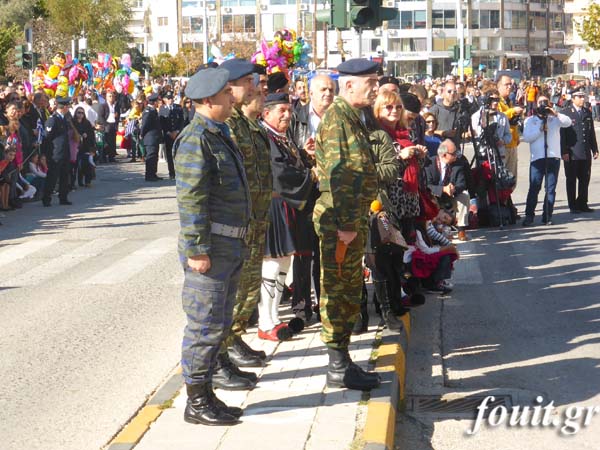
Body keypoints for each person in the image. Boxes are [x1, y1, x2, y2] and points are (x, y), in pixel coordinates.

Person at [173, 66, 251, 426]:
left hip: (228, 245)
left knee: (218, 324)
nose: (231, 99)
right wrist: (196, 250)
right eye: (225, 95)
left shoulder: (218, 133)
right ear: (207, 100)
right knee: (203, 327)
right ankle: (196, 401)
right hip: (211, 249)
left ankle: (207, 394)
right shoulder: (196, 139)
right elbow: (191, 200)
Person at [314, 58, 382, 391]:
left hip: (352, 220)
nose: (375, 87)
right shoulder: (337, 119)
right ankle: (337, 366)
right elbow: (338, 174)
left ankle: (342, 361)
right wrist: (345, 223)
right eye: (370, 81)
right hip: (341, 224)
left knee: (349, 290)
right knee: (338, 292)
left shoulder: (351, 117)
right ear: (349, 84)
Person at [258, 92, 316, 341]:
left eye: (289, 110)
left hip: (287, 207)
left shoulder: (280, 136)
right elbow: (280, 173)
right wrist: (311, 176)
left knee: (283, 263)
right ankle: (264, 321)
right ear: (266, 113)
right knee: (271, 263)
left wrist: (303, 154)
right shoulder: (265, 137)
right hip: (273, 206)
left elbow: (291, 163)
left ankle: (274, 318)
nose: (287, 115)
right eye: (281, 110)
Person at [226, 71, 273, 370]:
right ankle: (227, 343)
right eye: (249, 83)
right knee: (239, 285)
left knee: (250, 284)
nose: (256, 89)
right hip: (243, 219)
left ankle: (235, 336)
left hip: (257, 215)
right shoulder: (230, 126)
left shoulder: (247, 124)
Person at [288, 74, 336, 321]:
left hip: (331, 191)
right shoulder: (297, 117)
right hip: (306, 191)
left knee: (326, 252)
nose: (327, 94)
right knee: (303, 251)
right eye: (323, 90)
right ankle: (301, 307)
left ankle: (325, 305)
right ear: (311, 93)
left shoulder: (339, 117)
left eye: (331, 89)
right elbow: (286, 154)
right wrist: (303, 154)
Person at [521, 95, 572, 226]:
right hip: (537, 158)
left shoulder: (554, 119)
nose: (543, 105)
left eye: (545, 102)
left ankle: (547, 215)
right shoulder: (530, 120)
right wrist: (539, 130)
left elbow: (568, 122)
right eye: (540, 103)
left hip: (553, 157)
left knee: (550, 189)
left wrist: (555, 114)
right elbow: (526, 137)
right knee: (534, 188)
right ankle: (529, 215)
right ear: (536, 104)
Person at [560, 88, 599, 214]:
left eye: (583, 96)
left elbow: (591, 132)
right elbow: (563, 134)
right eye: (580, 97)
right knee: (571, 179)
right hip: (572, 152)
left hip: (585, 151)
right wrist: (564, 151)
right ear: (573, 98)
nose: (583, 99)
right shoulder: (566, 113)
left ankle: (582, 203)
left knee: (584, 179)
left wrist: (595, 149)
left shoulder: (587, 112)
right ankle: (573, 205)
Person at [424, 139, 470, 240]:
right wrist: (442, 189)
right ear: (444, 155)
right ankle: (438, 229)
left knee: (464, 196)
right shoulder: (430, 164)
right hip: (435, 195)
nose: (456, 156)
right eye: (453, 153)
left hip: (451, 194)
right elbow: (427, 185)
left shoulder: (457, 164)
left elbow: (462, 183)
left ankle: (461, 229)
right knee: (428, 197)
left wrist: (454, 189)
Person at [42, 96, 72, 207]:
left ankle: (63, 197)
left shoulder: (63, 119)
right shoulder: (53, 119)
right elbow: (47, 137)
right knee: (53, 177)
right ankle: (46, 198)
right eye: (68, 106)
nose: (68, 108)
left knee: (64, 176)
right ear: (64, 107)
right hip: (55, 153)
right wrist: (45, 154)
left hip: (64, 152)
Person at [159, 92, 185, 179]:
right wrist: (168, 132)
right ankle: (172, 173)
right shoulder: (162, 109)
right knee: (169, 155)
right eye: (168, 98)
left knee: (178, 154)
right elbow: (162, 122)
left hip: (177, 134)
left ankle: (179, 172)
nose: (170, 100)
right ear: (165, 99)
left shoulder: (178, 108)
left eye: (171, 98)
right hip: (168, 135)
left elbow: (182, 120)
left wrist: (177, 131)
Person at [140, 92, 163, 181]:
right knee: (150, 157)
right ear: (154, 102)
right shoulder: (148, 111)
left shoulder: (153, 110)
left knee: (154, 157)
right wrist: (142, 134)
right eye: (158, 101)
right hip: (150, 138)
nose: (158, 103)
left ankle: (153, 174)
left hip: (154, 137)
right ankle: (149, 175)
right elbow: (145, 124)